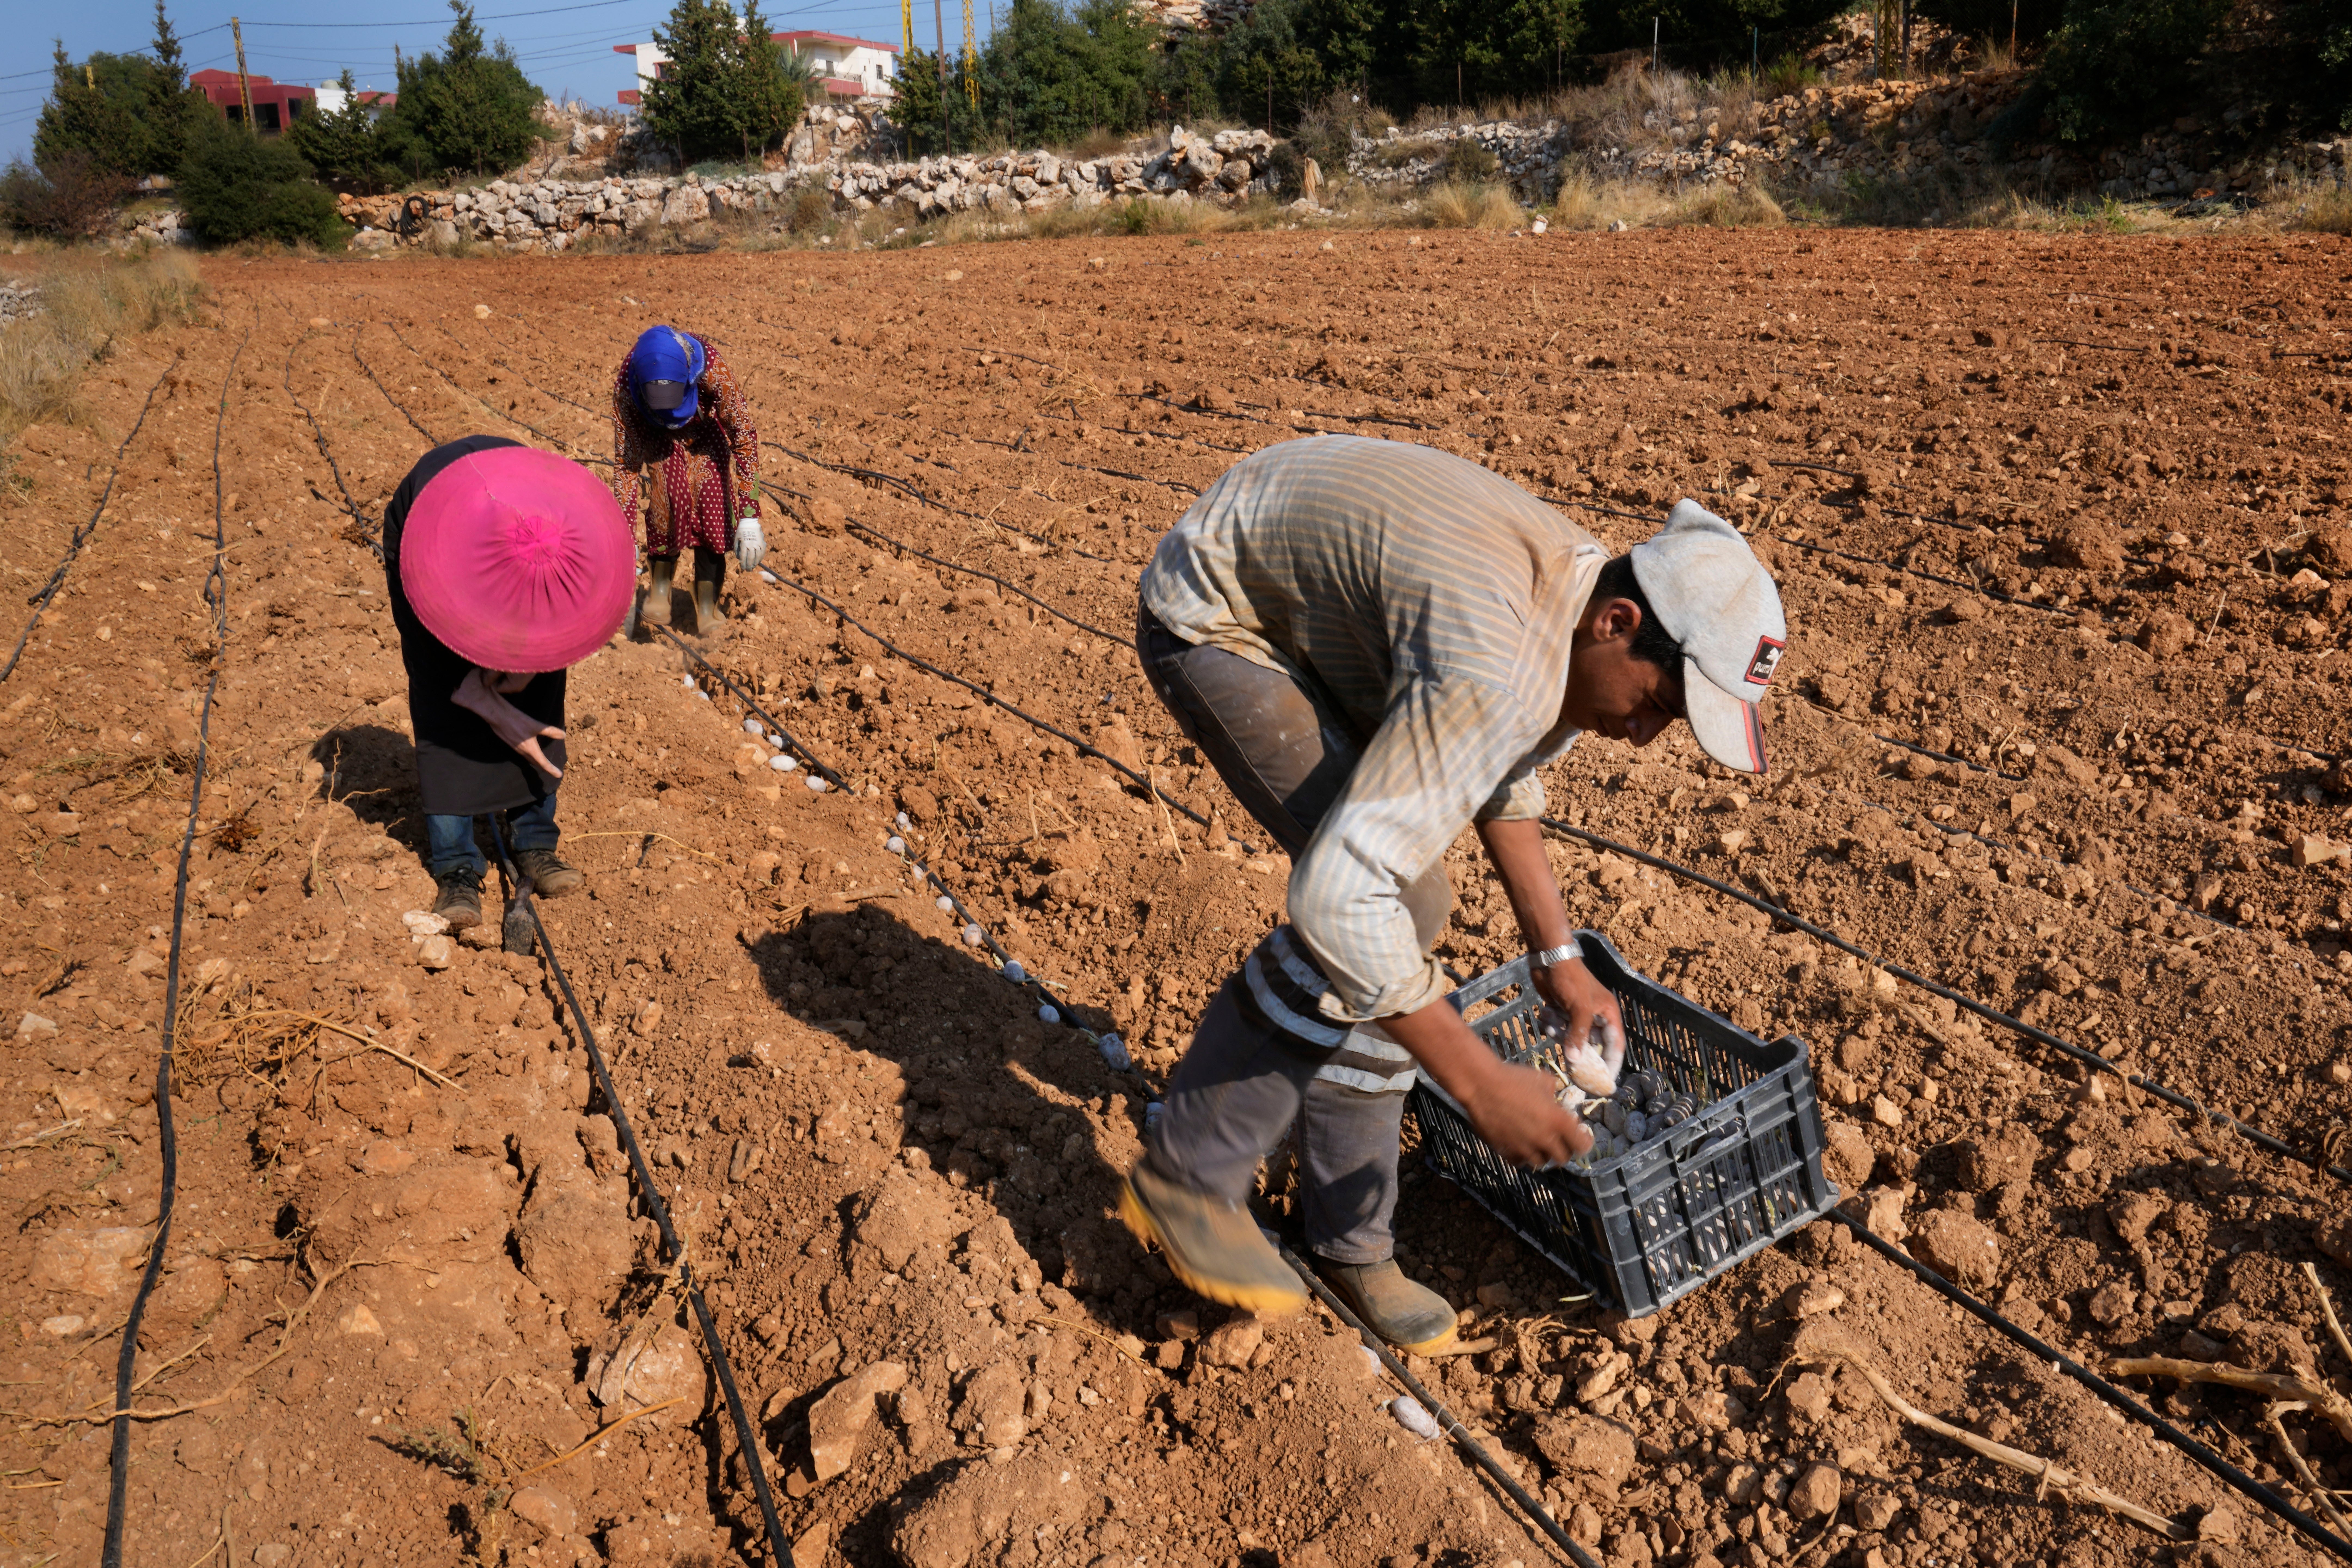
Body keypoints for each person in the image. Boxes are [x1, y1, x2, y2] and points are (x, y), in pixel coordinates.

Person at [1119, 435, 1787, 1353]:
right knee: (1386, 910)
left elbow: (1498, 764)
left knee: (1399, 922)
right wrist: (1478, 1082)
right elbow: (1340, 897)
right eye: (1658, 706)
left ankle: (1347, 1242)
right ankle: (1191, 1177)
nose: (1643, 735)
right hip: (1226, 615)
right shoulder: (1504, 655)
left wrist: (1559, 957)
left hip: (1328, 610)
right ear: (1619, 621)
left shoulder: (1574, 611)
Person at [385, 436, 636, 929]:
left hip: (531, 525)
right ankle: (456, 864)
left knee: (540, 692)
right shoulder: (434, 551)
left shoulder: (577, 537)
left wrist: (530, 666)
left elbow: (567, 616)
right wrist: (493, 708)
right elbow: (458, 684)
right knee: (445, 709)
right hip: (432, 534)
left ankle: (535, 842)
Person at [611, 325, 764, 635]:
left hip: (706, 431)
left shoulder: (713, 370)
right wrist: (624, 539)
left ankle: (707, 603)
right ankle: (660, 588)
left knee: (712, 498)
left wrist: (750, 515)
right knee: (667, 493)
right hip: (656, 435)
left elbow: (744, 438)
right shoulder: (627, 390)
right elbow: (627, 466)